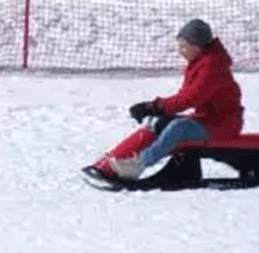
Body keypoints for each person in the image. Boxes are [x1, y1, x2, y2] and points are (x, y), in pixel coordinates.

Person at [83, 18, 244, 184]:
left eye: (183, 46)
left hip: (223, 125)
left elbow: (189, 99)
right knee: (157, 122)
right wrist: (156, 109)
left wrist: (154, 106)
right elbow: (185, 96)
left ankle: (138, 165)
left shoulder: (211, 66)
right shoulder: (200, 63)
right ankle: (108, 164)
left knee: (177, 127)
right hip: (206, 120)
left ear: (196, 47)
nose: (180, 50)